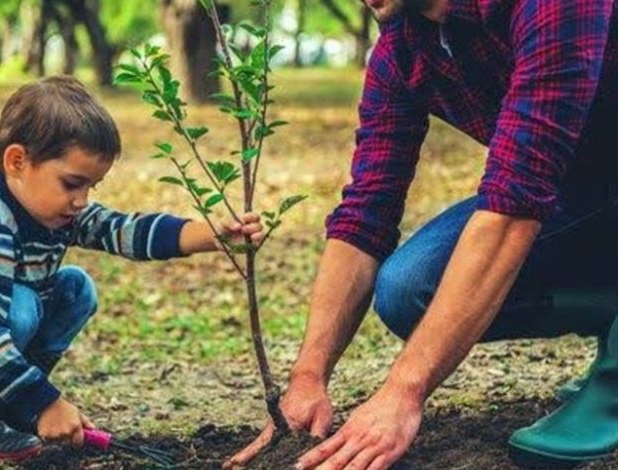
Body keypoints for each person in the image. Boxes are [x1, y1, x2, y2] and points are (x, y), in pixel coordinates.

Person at [228, 0, 617, 469]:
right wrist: (308, 378)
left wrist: (402, 393)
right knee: (410, 287)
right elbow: (365, 212)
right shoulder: (406, 46)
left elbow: (515, 205)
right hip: (585, 193)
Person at [0, 76, 264, 463]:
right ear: (17, 162)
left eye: (91, 187)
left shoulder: (55, 211)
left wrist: (210, 235)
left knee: (75, 288)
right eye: (72, 183)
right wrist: (46, 404)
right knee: (19, 306)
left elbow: (124, 230)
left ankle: (6, 404)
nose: (81, 201)